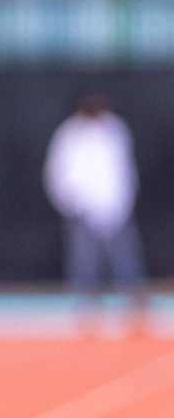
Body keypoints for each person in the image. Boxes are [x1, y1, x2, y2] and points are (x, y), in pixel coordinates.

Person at [43, 92, 148, 329]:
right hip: (82, 207)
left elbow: (122, 167)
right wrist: (72, 202)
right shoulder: (70, 134)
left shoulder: (114, 129)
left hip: (115, 204)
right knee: (84, 255)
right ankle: (86, 298)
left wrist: (122, 200)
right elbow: (59, 172)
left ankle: (133, 293)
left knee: (125, 252)